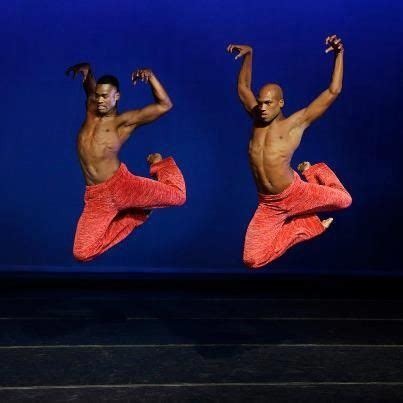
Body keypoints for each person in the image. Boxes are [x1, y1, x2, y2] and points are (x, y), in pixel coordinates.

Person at [227, 35, 352, 268]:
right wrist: (249, 54)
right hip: (269, 204)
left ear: (281, 103)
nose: (262, 108)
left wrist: (338, 54)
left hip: (297, 193)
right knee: (252, 259)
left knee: (344, 200)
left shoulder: (296, 123)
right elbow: (243, 87)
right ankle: (305, 226)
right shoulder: (256, 117)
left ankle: (314, 170)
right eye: (261, 102)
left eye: (268, 103)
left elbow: (333, 91)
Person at [65, 63, 186, 261]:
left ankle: (161, 164)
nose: (100, 100)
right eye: (98, 96)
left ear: (117, 97)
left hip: (122, 186)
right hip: (97, 197)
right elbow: (91, 88)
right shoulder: (91, 108)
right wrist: (87, 72)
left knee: (179, 197)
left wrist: (151, 77)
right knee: (82, 252)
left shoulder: (123, 122)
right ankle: (137, 215)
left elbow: (165, 105)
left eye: (105, 97)